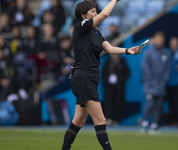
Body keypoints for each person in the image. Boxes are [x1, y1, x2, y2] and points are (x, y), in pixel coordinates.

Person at [61, 0, 141, 150]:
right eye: (92, 11)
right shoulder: (81, 26)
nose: (95, 13)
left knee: (78, 121)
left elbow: (110, 49)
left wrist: (128, 50)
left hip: (90, 78)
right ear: (83, 15)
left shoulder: (96, 32)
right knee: (101, 120)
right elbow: (105, 14)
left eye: (95, 10)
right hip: (83, 78)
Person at [141, 31, 171, 132]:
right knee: (149, 103)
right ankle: (145, 121)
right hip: (150, 84)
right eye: (158, 39)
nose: (159, 41)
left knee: (158, 105)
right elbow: (145, 67)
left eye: (161, 39)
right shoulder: (148, 52)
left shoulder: (166, 53)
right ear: (154, 39)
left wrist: (164, 80)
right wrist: (151, 80)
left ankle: (154, 123)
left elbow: (167, 69)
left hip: (161, 84)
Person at [102, 55, 129, 126]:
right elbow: (103, 74)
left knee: (118, 103)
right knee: (109, 103)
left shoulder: (122, 62)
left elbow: (127, 73)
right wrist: (107, 80)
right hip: (109, 87)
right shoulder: (107, 62)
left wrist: (121, 80)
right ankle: (109, 118)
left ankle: (116, 119)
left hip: (119, 87)